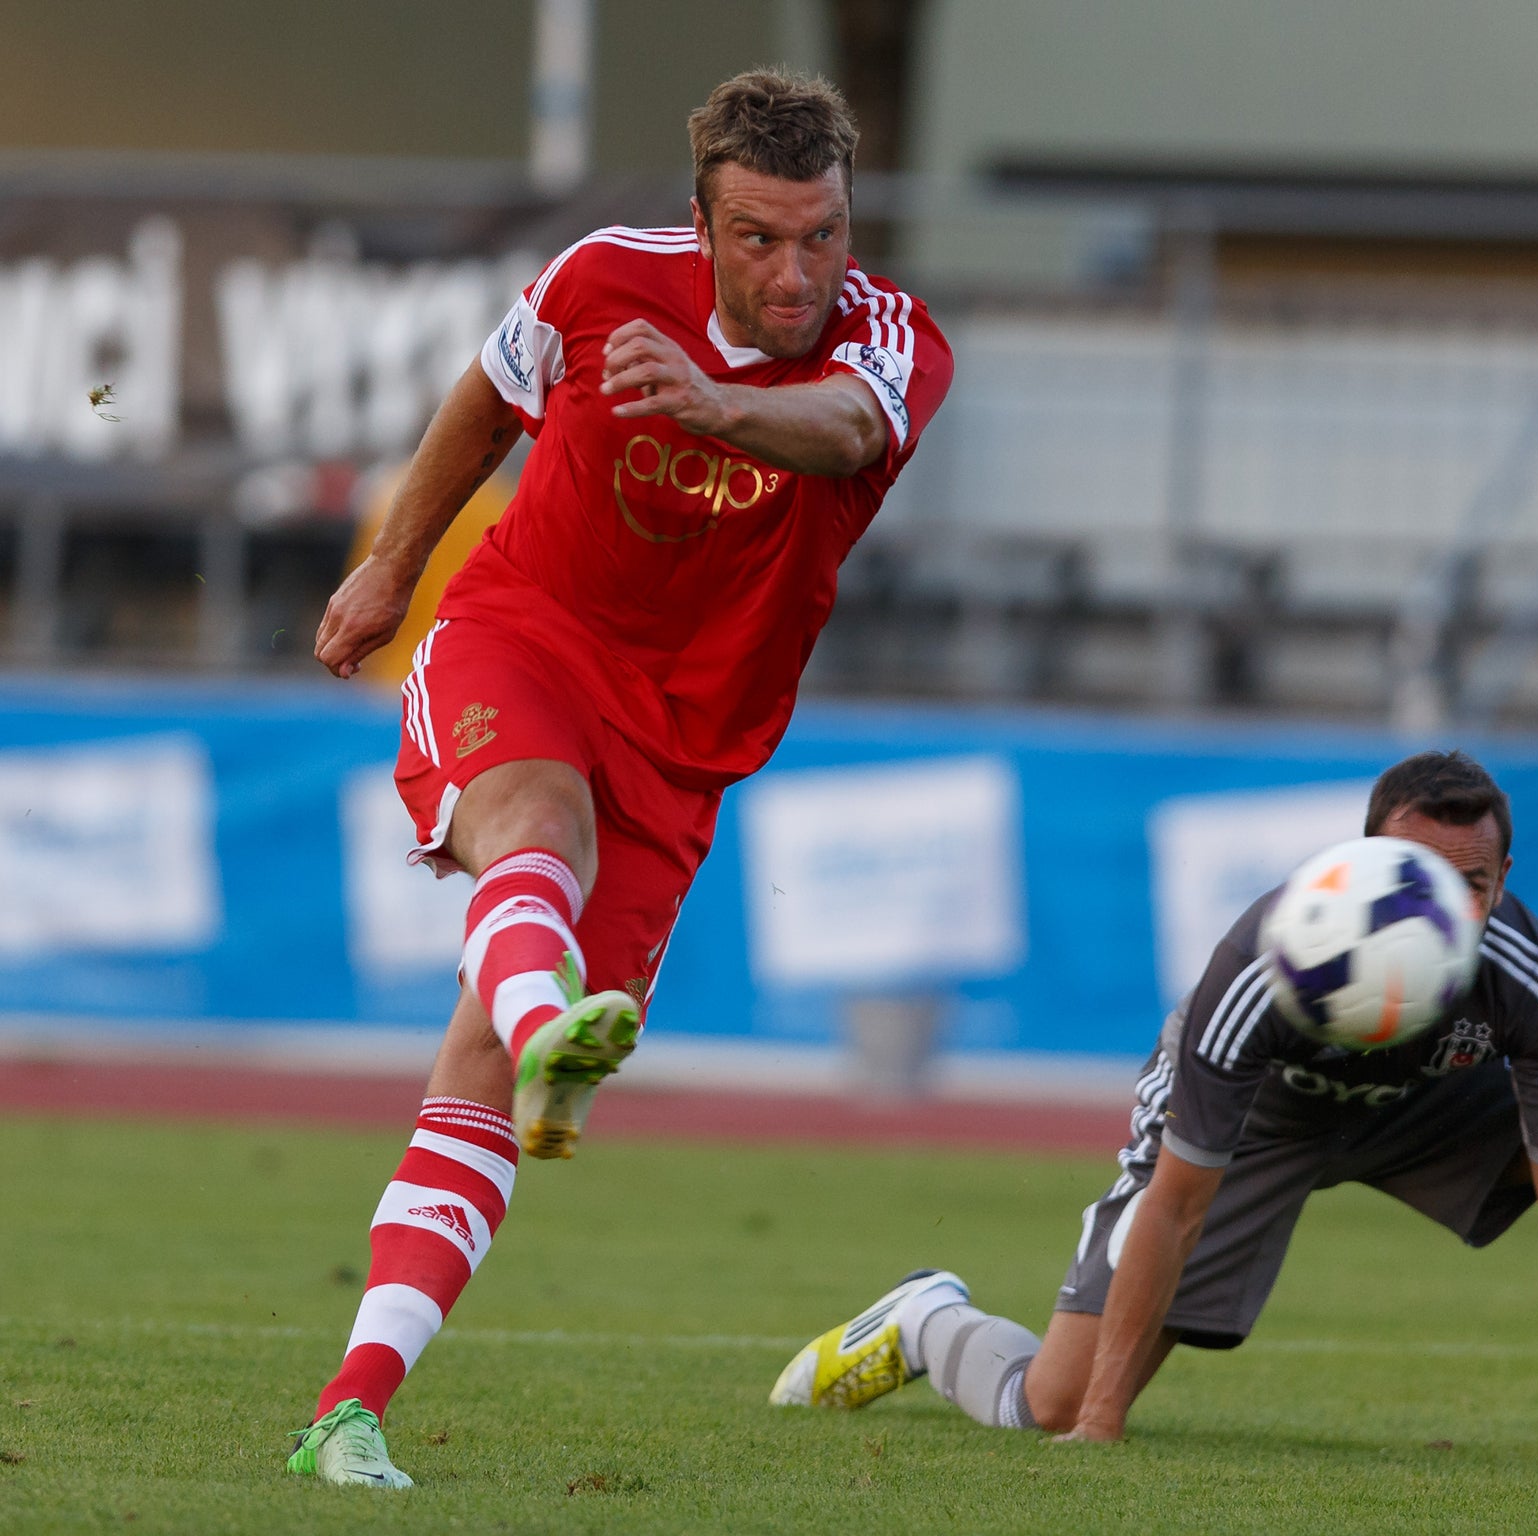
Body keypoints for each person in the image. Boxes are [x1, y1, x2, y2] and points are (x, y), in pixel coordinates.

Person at [287, 69, 953, 1490]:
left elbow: (842, 431)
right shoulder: (600, 282)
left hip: (685, 745)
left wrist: (711, 401)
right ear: (701, 225)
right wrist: (396, 564)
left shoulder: (891, 339)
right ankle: (552, 1025)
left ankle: (350, 1411)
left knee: (471, 1071)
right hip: (520, 633)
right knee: (537, 825)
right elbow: (485, 397)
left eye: (823, 233)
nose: (799, 270)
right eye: (762, 237)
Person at [771, 750, 1538, 1481]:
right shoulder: (1261, 964)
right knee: (1049, 1402)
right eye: (1417, 876)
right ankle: (927, 1321)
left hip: (1437, 1103)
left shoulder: (1525, 972)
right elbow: (1179, 1198)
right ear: (1358, 864)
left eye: (1474, 883)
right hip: (1261, 1120)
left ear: (1503, 883)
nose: (1446, 906)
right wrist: (1095, 1436)